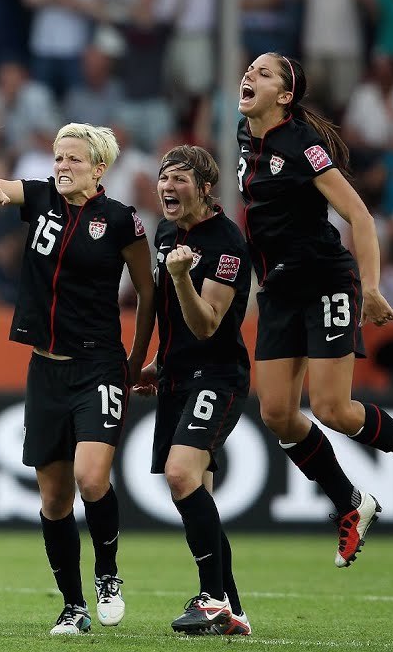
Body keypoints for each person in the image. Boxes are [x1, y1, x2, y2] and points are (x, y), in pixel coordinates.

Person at [235, 52, 393, 568]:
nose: (250, 75)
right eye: (250, 69)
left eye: (264, 74)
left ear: (286, 96)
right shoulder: (246, 140)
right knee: (277, 414)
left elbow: (358, 214)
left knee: (332, 409)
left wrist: (371, 288)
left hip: (325, 282)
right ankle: (351, 503)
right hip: (279, 292)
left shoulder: (301, 144)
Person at [0, 123, 155, 635]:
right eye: (58, 157)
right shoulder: (40, 197)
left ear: (99, 169)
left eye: (73, 159)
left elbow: (147, 292)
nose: (61, 166)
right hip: (45, 368)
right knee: (53, 498)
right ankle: (73, 605)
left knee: (92, 479)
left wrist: (137, 358)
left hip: (98, 366)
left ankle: (107, 574)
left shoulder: (121, 220)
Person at [132, 146, 252, 636]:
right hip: (178, 378)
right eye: (164, 178)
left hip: (219, 377)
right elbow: (174, 324)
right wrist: (159, 364)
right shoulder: (166, 233)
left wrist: (181, 276)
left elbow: (206, 325)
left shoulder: (227, 244)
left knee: (182, 474)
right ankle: (232, 610)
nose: (167, 187)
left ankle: (211, 598)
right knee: (195, 491)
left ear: (205, 188)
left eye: (180, 179)